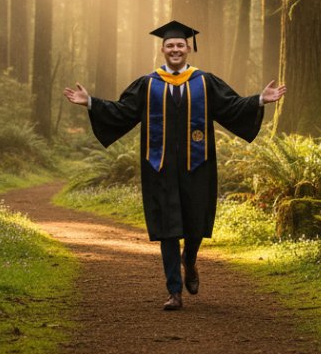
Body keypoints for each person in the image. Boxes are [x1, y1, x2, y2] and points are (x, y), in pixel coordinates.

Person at [64, 20, 286, 310]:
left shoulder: (205, 81)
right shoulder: (148, 84)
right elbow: (122, 112)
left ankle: (190, 260)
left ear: (188, 48)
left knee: (194, 226)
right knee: (168, 229)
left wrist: (259, 99)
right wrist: (91, 102)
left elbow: (231, 107)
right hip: (160, 168)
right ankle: (174, 291)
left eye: (180, 45)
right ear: (162, 50)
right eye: (170, 45)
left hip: (198, 166)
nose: (175, 49)